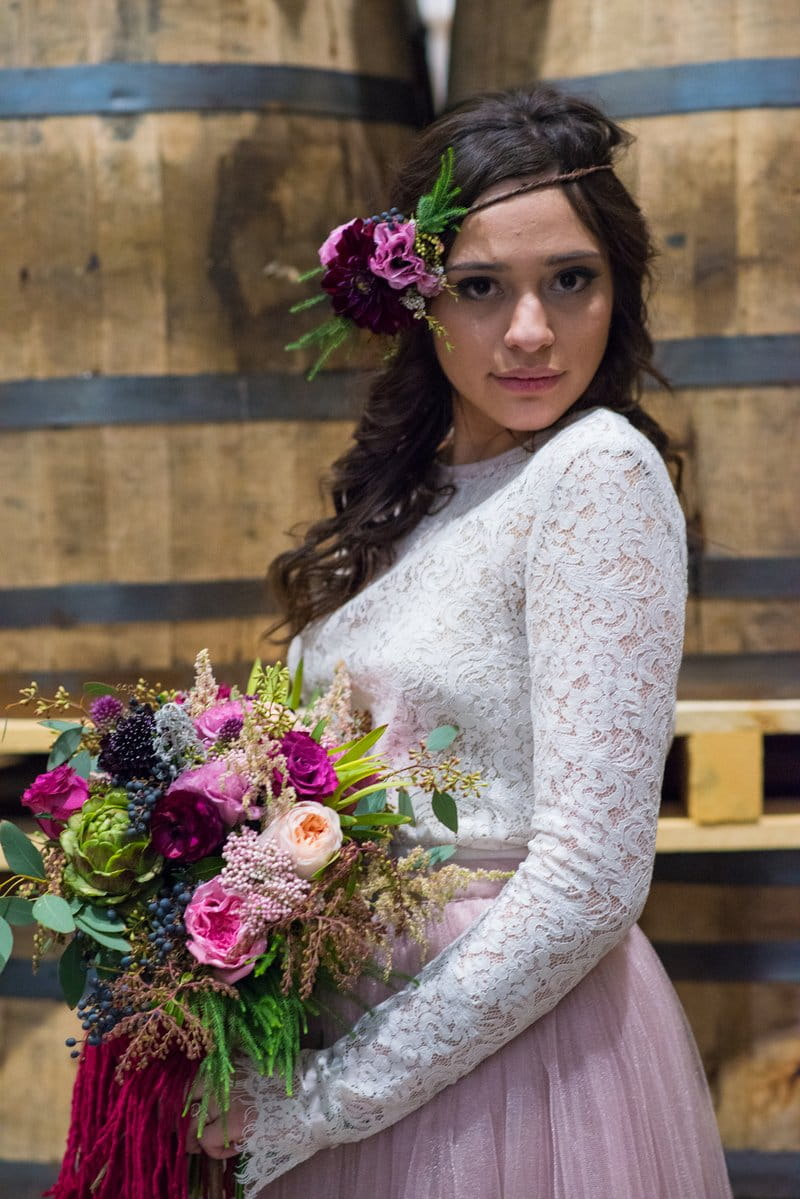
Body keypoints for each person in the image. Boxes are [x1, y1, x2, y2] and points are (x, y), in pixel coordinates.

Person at [191, 85, 733, 1198]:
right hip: (366, 1029)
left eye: (569, 280)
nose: (529, 331)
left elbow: (588, 875)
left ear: (616, 288)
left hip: (505, 1073)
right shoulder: (425, 492)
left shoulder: (595, 471)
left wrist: (329, 1099)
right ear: (416, 298)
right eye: (480, 288)